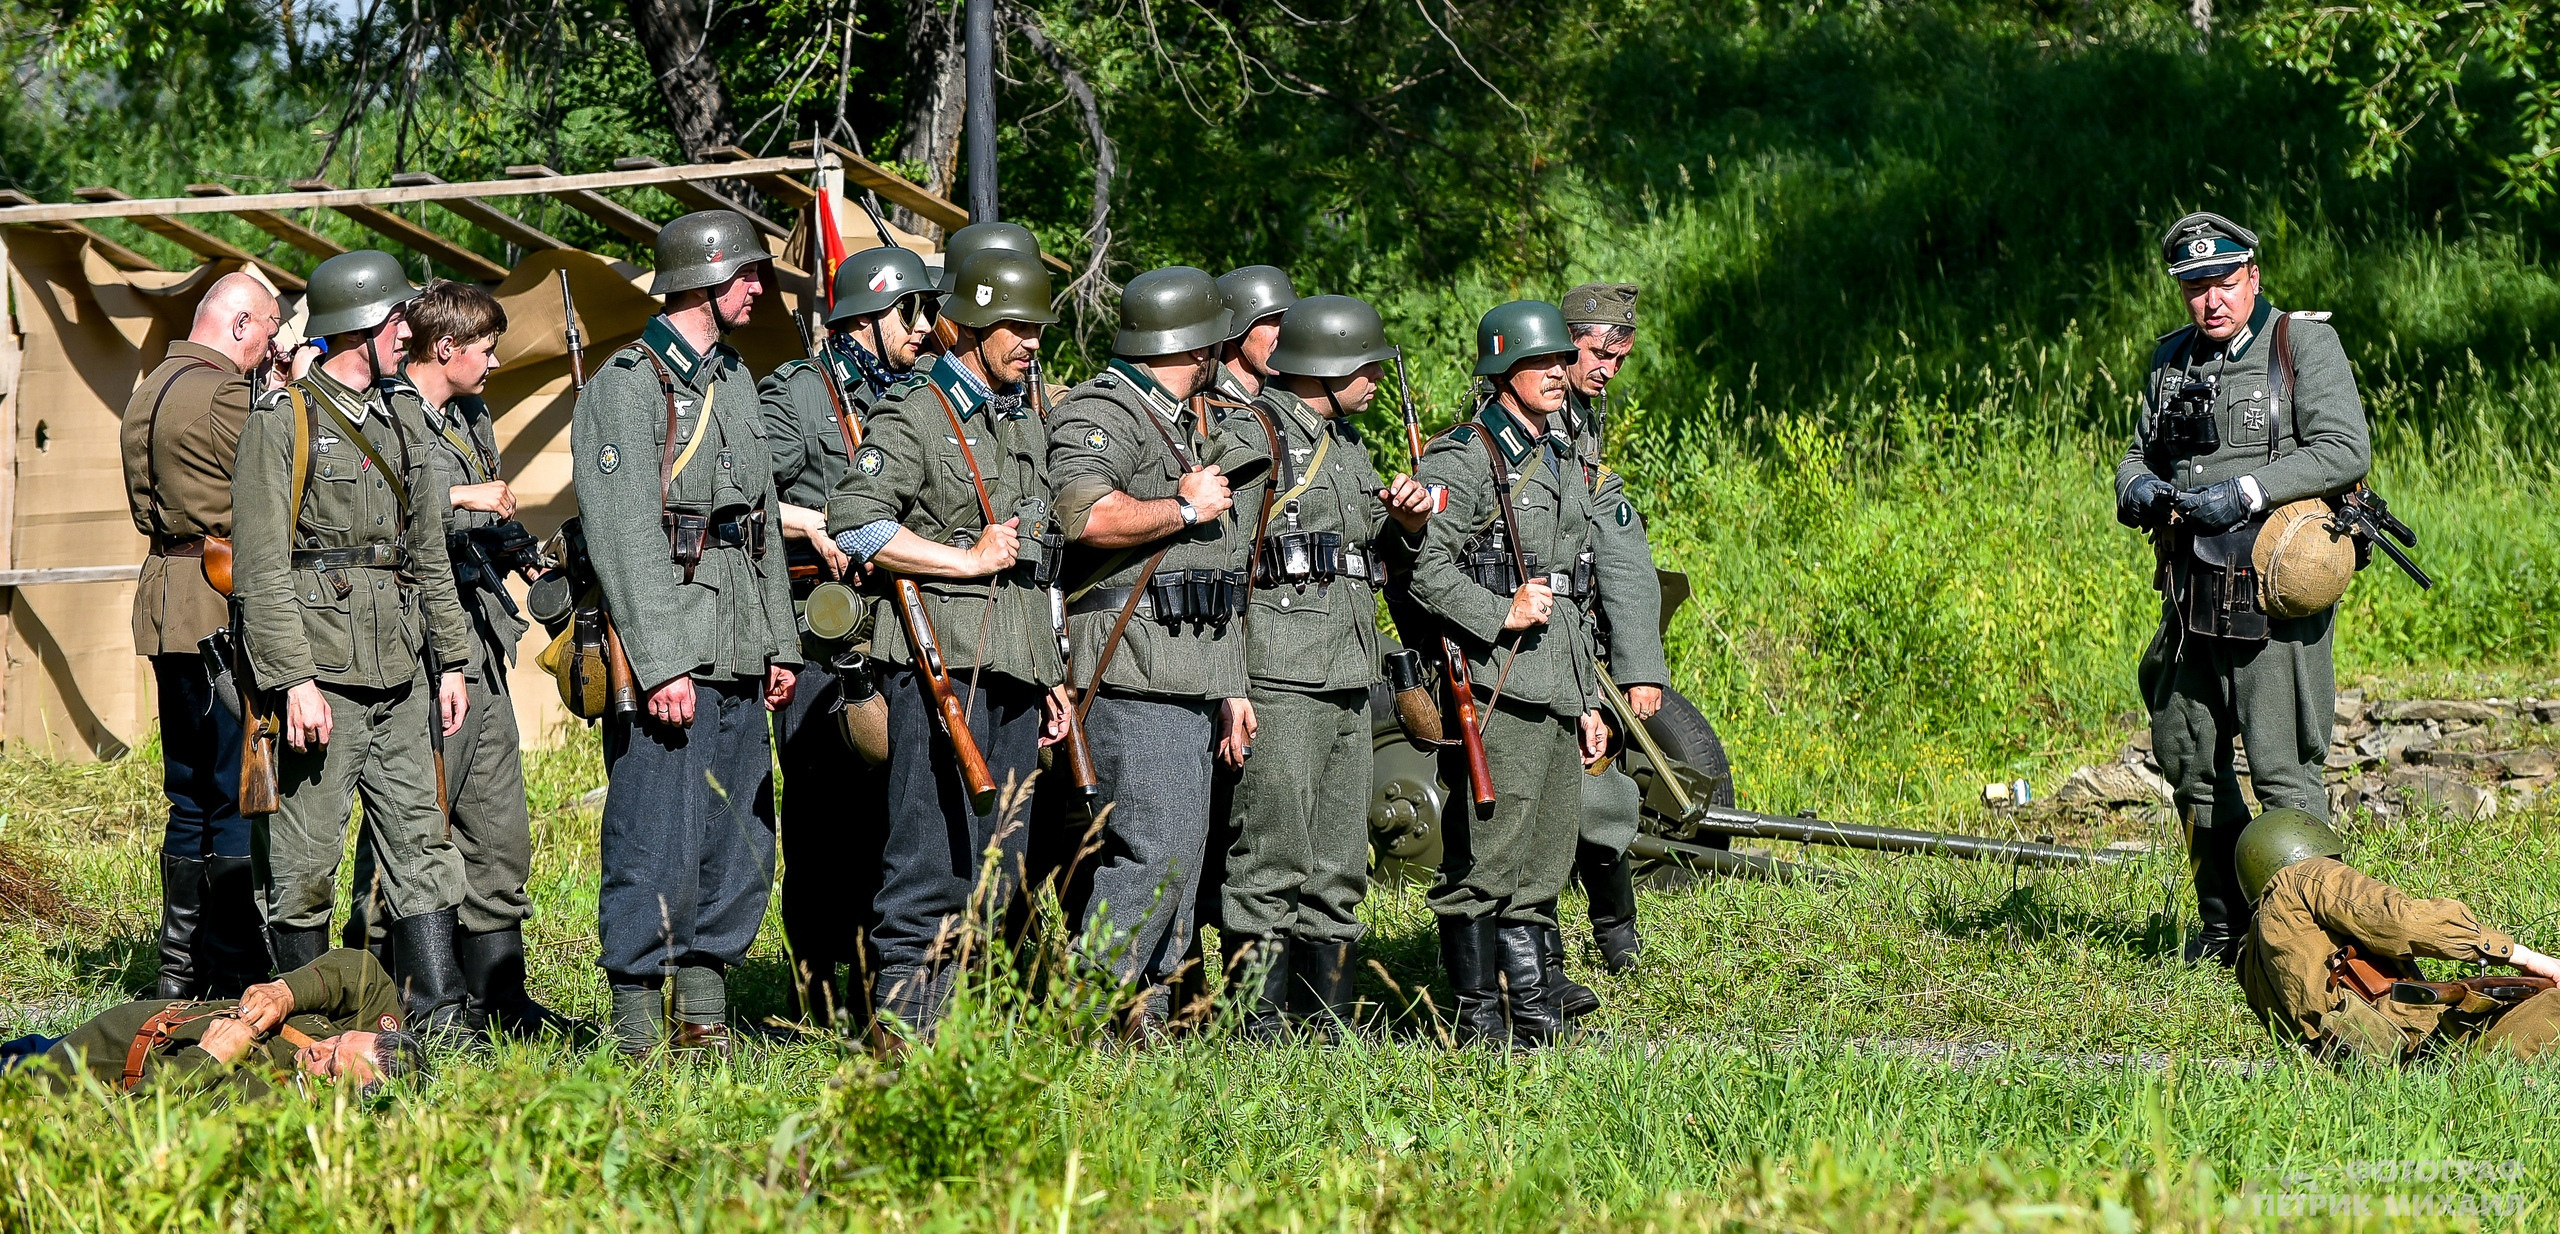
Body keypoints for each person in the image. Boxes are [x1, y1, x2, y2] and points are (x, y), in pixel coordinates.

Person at [825, 247, 1072, 1036]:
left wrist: (1051, 673)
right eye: (1013, 327)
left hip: (1013, 668)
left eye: (1035, 327)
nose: (1030, 342)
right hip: (939, 671)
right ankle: (902, 1043)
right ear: (963, 327)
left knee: (995, 874)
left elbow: (1033, 555)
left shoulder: (1021, 417)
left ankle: (954, 1037)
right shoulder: (914, 413)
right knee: (928, 868)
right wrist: (960, 560)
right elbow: (855, 521)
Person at [2114, 213, 2372, 967]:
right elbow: (2139, 452)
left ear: (2252, 276)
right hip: (2191, 592)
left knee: (2284, 768)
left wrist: (2248, 489)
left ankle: (2311, 944)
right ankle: (2225, 930)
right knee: (2187, 756)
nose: (2210, 300)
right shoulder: (2170, 361)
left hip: (2271, 597)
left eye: (2224, 282)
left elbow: (2344, 447)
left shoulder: (2300, 344)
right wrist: (2136, 488)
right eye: (2195, 286)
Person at [229, 250, 475, 1032]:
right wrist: (293, 680)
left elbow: (426, 551)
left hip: (400, 670)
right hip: (321, 677)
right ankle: (307, 1028)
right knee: (303, 866)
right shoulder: (285, 419)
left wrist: (453, 659)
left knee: (421, 851)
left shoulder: (404, 418)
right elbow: (262, 567)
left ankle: (437, 1020)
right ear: (360, 327)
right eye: (397, 318)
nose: (410, 331)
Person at [572, 211, 798, 1056]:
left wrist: (778, 642)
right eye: (746, 274)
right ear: (700, 278)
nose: (759, 288)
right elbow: (625, 534)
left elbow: (763, 522)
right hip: (676, 642)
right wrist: (662, 661)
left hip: (740, 638)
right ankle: (636, 1033)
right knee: (654, 831)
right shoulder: (627, 384)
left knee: (735, 831)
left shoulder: (736, 378)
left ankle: (703, 1021)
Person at [342, 279, 571, 1038]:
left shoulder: (468, 414)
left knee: (496, 817)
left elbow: (497, 513)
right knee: (415, 819)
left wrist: (535, 564)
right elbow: (401, 515)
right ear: (447, 349)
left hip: (478, 633)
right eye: (488, 348)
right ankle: (386, 992)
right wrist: (470, 499)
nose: (497, 361)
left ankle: (498, 995)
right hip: (417, 643)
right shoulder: (391, 417)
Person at [1210, 295, 1434, 1036]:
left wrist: (1404, 523)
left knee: (1340, 864)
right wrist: (1230, 686)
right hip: (1278, 675)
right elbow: (1221, 567)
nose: (1375, 377)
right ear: (1328, 365)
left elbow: (1374, 554)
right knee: (1270, 857)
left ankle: (1326, 1023)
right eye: (1365, 364)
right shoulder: (1252, 437)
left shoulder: (1348, 446)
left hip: (1345, 675)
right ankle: (1259, 1030)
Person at [1401, 299, 1610, 1049]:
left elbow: (1575, 585)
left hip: (1556, 682)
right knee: (1485, 863)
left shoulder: (1553, 452)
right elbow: (1423, 570)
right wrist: (1499, 613)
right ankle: (1478, 1023)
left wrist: (1588, 699)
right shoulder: (1466, 458)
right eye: (1543, 362)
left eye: (1563, 360)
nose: (1560, 372)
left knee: (1543, 863)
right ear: (1502, 369)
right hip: (1501, 686)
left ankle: (1532, 1019)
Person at [1047, 266, 1250, 1032]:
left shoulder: (1177, 418)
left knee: (1180, 857)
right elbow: (1085, 515)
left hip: (1186, 667)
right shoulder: (1104, 410)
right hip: (1131, 665)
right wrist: (1181, 507)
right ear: (1191, 343)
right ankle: (1089, 1009)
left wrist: (1230, 682)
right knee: (1151, 853)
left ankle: (1145, 1013)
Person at [759, 243, 941, 1027]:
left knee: (897, 810)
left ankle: (885, 975)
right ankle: (820, 983)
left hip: (906, 631)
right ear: (872, 315)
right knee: (823, 814)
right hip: (819, 638)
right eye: (914, 311)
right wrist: (817, 522)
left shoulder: (926, 396)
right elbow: (741, 492)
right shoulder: (798, 396)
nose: (927, 328)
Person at [121, 271, 284, 999]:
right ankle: (230, 967)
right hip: (217, 605)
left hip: (166, 601)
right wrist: (283, 396)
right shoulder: (224, 394)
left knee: (188, 792)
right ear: (241, 324)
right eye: (270, 333)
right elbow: (279, 480)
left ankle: (177, 970)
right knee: (231, 787)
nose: (270, 347)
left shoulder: (150, 384)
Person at [2232, 808, 2560, 1060]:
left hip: (2378, 1067)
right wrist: (2522, 956)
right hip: (2426, 1042)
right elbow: (2403, 922)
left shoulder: (2251, 958)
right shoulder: (2304, 878)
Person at [1553, 282, 1664, 1019]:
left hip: (1578, 635)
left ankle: (1616, 932)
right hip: (1527, 637)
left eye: (1619, 358)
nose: (1609, 371)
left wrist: (1638, 666)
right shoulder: (1512, 420)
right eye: (1600, 354)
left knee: (1601, 786)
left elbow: (1618, 552)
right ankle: (1539, 958)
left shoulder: (1581, 416)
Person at [4, 947, 427, 1099]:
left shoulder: (267, 1110)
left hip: (75, 1076)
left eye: (330, 1068)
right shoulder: (366, 1042)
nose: (320, 1048)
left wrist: (208, 1058)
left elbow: (143, 1119)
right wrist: (287, 993)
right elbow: (362, 972)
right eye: (339, 1040)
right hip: (80, 1038)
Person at [1211, 266, 1297, 404]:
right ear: (1234, 332)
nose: (1284, 332)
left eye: (1287, 320)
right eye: (1271, 320)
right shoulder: (1204, 407)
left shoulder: (1281, 403)